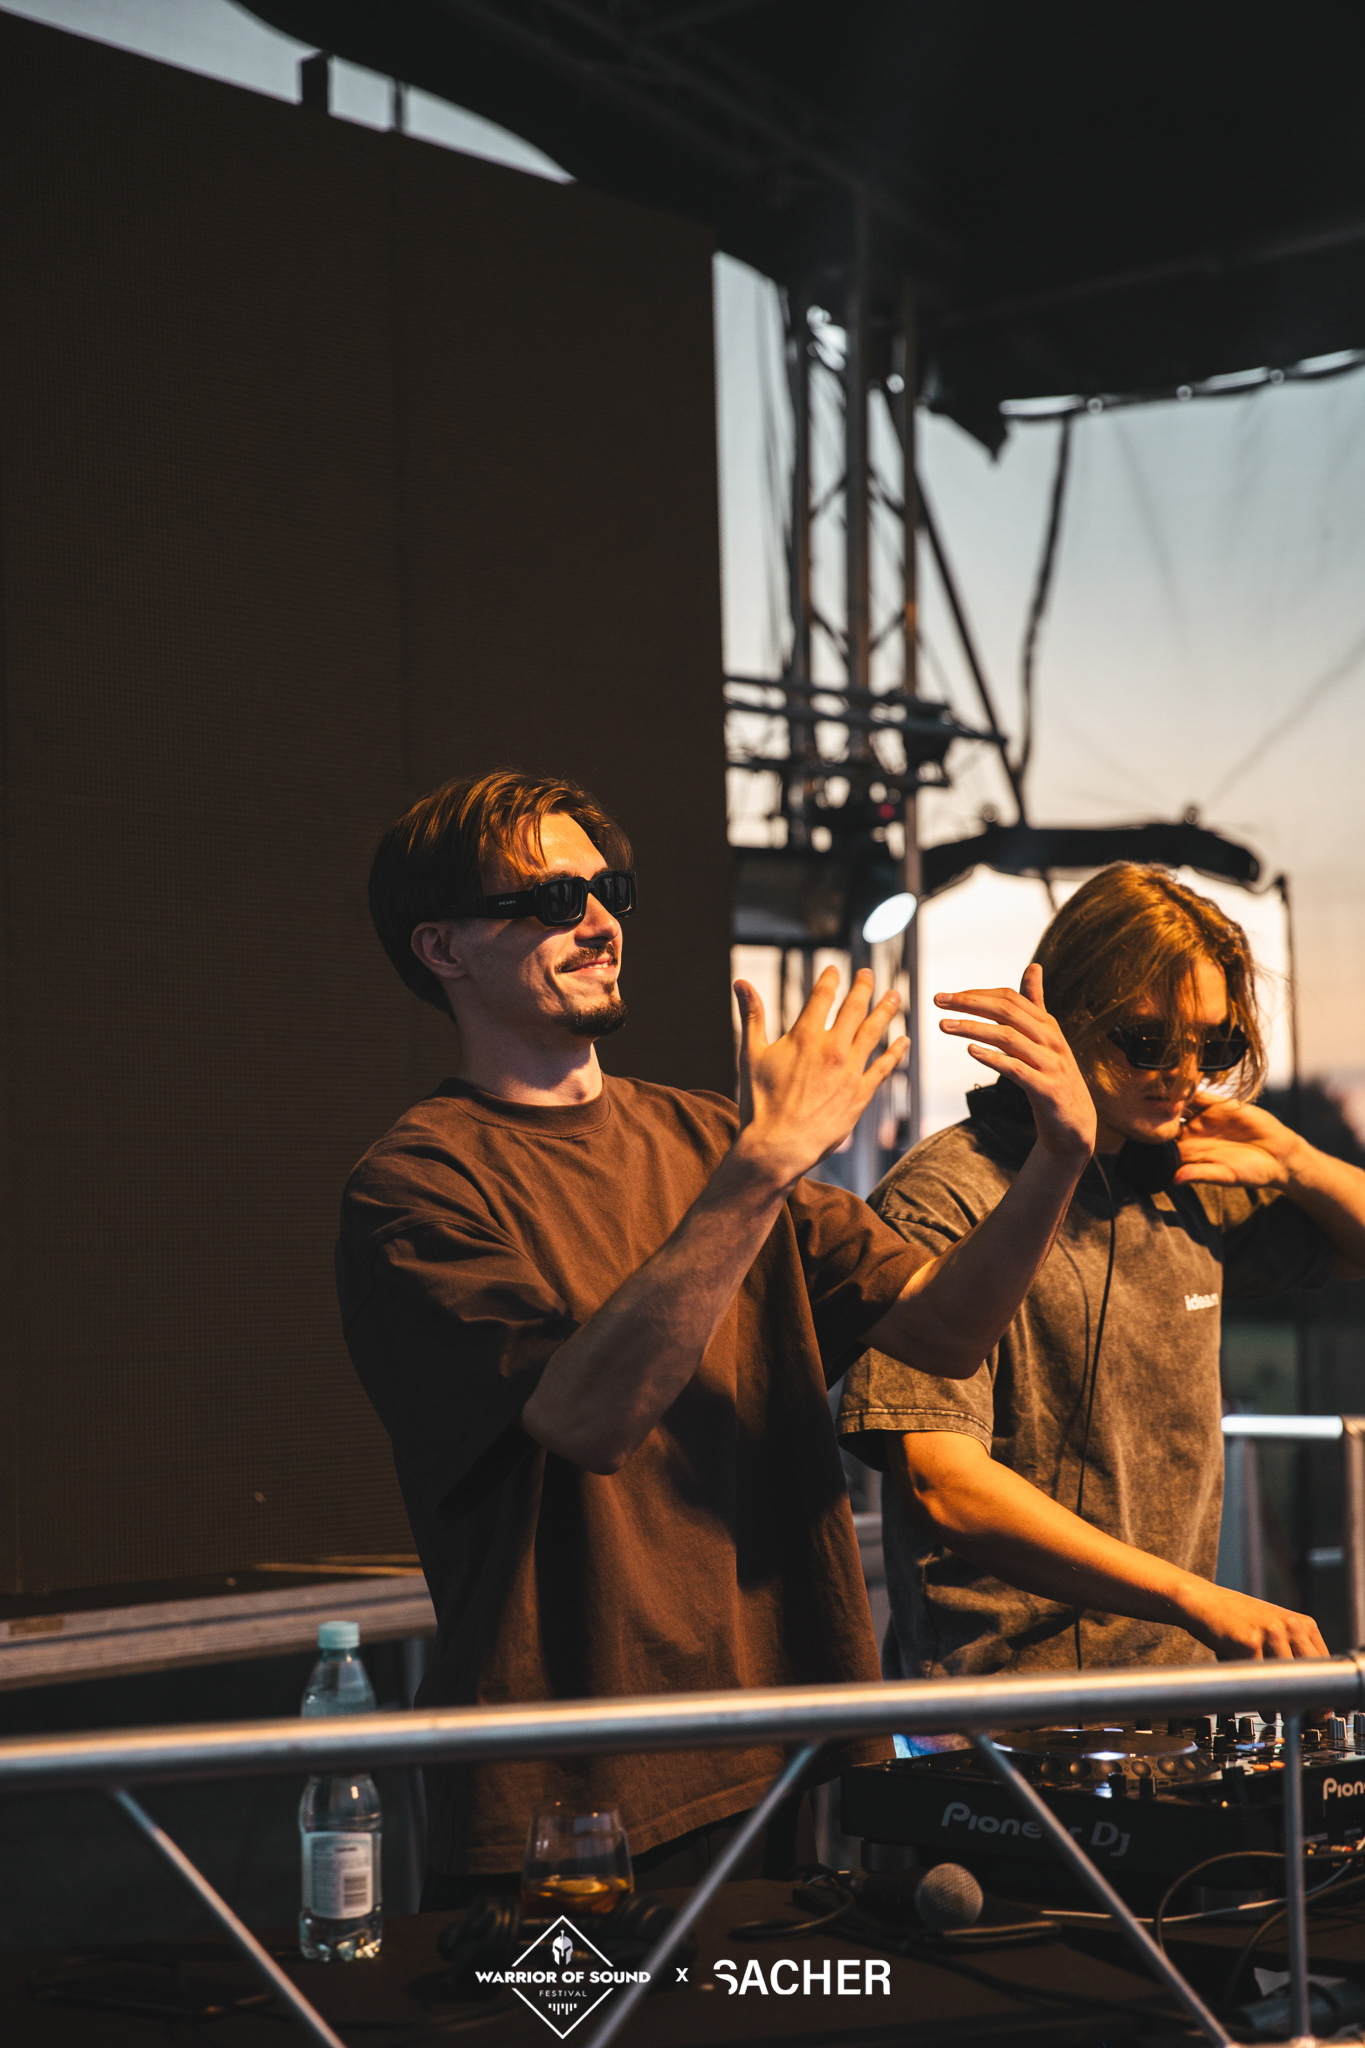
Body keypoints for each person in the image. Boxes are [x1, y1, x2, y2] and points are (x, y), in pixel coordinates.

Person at [336, 768, 1097, 1900]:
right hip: (567, 1792)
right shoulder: (416, 1185)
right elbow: (587, 1420)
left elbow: (947, 1333)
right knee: (562, 2005)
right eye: (550, 901)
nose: (599, 922)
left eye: (609, 892)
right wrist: (761, 1165)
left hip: (769, 1745)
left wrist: (1058, 1160)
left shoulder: (706, 1136)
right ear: (442, 948)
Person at [840, 863, 1365, 1688]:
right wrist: (1193, 1598)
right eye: (1148, 1040)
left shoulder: (1186, 1180)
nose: (1183, 1071)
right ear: (1066, 1016)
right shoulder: (942, 1194)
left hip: (1171, 1695)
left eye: (1213, 1044)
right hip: (998, 1715)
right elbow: (944, 1485)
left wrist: (1298, 1161)